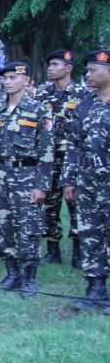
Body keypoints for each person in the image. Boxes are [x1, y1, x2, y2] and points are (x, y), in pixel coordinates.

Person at [0, 62, 54, 298]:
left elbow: (47, 151)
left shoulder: (39, 111)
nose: (6, 82)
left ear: (26, 81)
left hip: (28, 176)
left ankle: (29, 276)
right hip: (2, 174)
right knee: (2, 225)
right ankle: (12, 272)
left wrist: (41, 185)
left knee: (28, 228)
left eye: (12, 77)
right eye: (3, 78)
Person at [63, 49, 110, 314]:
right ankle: (95, 289)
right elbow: (73, 145)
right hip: (88, 181)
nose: (88, 75)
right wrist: (70, 179)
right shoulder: (86, 105)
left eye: (93, 70)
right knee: (91, 234)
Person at [33, 49, 88, 268]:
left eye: (56, 64)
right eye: (50, 64)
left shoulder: (83, 95)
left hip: (71, 157)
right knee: (49, 204)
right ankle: (53, 248)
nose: (51, 68)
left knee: (76, 203)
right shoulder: (41, 94)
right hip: (48, 157)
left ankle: (78, 250)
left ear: (69, 68)